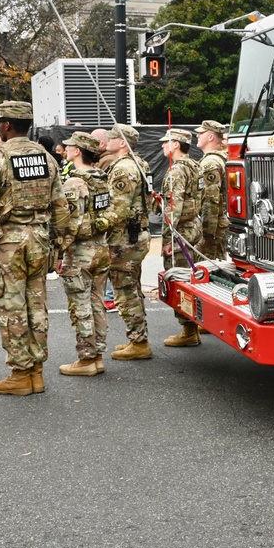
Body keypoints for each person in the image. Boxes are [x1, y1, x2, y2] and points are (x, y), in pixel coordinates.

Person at [0, 101, 70, 396]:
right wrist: (59, 247)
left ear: (7, 126)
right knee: (37, 305)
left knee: (11, 307)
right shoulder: (47, 158)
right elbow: (61, 207)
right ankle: (36, 372)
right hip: (40, 240)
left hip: (9, 243)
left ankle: (20, 373)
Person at [55, 131, 112, 377]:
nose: (66, 149)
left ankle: (86, 358)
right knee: (97, 303)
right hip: (101, 246)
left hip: (80, 252)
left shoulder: (74, 182)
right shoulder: (102, 178)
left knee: (80, 305)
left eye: (69, 147)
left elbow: (72, 222)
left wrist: (59, 251)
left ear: (78, 151)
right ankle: (97, 355)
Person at [100, 123, 152, 360]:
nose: (107, 141)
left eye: (111, 138)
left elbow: (118, 210)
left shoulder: (123, 169)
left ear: (122, 143)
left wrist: (94, 224)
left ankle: (139, 342)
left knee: (124, 289)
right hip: (137, 234)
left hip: (125, 238)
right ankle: (138, 337)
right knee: (133, 286)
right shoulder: (139, 163)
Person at [155, 128, 203, 347]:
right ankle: (192, 326)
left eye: (166, 142)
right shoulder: (195, 166)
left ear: (176, 144)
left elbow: (174, 208)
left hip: (181, 233)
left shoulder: (176, 171)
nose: (163, 146)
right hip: (193, 227)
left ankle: (188, 329)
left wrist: (167, 239)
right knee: (191, 279)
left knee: (180, 280)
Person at [195, 119, 230, 260]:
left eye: (201, 133)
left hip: (213, 228)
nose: (197, 136)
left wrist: (207, 234)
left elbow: (211, 201)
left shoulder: (210, 163)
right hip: (220, 225)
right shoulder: (221, 158)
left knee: (208, 268)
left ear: (210, 137)